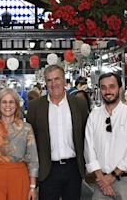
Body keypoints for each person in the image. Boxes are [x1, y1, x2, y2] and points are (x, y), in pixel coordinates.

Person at [26, 64, 89, 200]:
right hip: (47, 170)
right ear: (45, 83)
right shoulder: (35, 107)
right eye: (49, 80)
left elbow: (86, 134)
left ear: (64, 80)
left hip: (73, 168)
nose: (53, 84)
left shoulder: (79, 104)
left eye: (57, 79)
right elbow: (31, 140)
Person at [84, 72, 127, 200]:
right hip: (101, 182)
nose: (107, 91)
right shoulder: (94, 116)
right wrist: (102, 179)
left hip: (126, 183)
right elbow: (89, 149)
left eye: (112, 86)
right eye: (103, 87)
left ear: (120, 89)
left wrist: (112, 176)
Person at [0, 88, 39, 200]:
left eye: (11, 102)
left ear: (16, 105)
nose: (8, 105)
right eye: (4, 102)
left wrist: (32, 187)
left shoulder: (26, 128)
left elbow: (33, 160)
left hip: (19, 176)